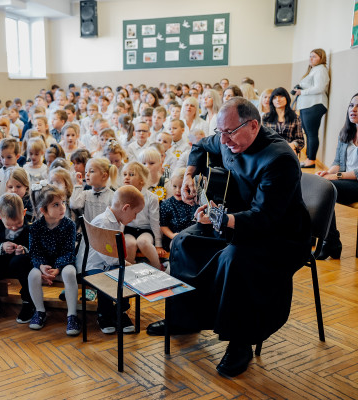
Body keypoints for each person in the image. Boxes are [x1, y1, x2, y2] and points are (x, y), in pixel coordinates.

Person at [146, 98, 311, 378]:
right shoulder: (227, 136)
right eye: (220, 132)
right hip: (236, 220)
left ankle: (240, 342)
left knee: (235, 259)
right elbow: (199, 146)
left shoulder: (279, 159)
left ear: (254, 125)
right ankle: (185, 319)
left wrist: (222, 219)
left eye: (230, 133)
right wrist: (189, 175)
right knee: (184, 242)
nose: (223, 140)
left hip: (280, 237)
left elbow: (264, 218)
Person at [81, 185, 145, 334]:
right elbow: (110, 259)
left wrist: (127, 264)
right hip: (94, 266)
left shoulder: (116, 221)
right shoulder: (103, 223)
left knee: (123, 273)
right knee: (110, 277)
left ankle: (120, 312)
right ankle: (104, 315)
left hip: (107, 263)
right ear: (126, 208)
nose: (135, 218)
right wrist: (128, 265)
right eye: (135, 213)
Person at [27, 184, 80, 335]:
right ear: (43, 209)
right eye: (56, 204)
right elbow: (34, 252)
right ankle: (39, 311)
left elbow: (69, 250)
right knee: (33, 276)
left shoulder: (69, 225)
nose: (62, 207)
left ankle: (72, 315)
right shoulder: (35, 227)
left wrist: (58, 267)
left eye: (63, 203)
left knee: (69, 273)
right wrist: (42, 266)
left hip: (64, 262)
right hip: (44, 264)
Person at [0, 193, 34, 324]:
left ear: (24, 212)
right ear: (0, 216)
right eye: (9, 225)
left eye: (18, 224)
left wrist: (24, 250)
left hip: (20, 263)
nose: (14, 228)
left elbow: (35, 247)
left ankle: (28, 301)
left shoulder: (31, 223)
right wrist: (1, 246)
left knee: (21, 263)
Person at [315, 93, 358, 259]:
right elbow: (338, 162)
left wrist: (336, 176)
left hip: (356, 183)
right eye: (351, 105)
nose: (353, 109)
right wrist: (328, 172)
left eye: (357, 106)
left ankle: (330, 242)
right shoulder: (346, 132)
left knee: (328, 188)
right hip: (347, 181)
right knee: (318, 184)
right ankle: (326, 240)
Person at [295, 48, 330, 168]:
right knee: (309, 134)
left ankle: (311, 160)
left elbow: (319, 88)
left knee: (312, 134)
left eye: (314, 56)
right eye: (310, 56)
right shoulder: (313, 70)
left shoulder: (321, 70)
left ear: (321, 57)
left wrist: (302, 92)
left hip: (314, 105)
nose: (311, 58)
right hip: (307, 105)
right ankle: (309, 159)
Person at [262, 87, 304, 155]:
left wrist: (293, 145)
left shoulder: (295, 118)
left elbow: (300, 141)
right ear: (272, 101)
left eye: (281, 96)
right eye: (275, 98)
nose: (278, 100)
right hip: (271, 150)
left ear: (287, 98)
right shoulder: (266, 117)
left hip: (288, 150)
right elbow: (263, 138)